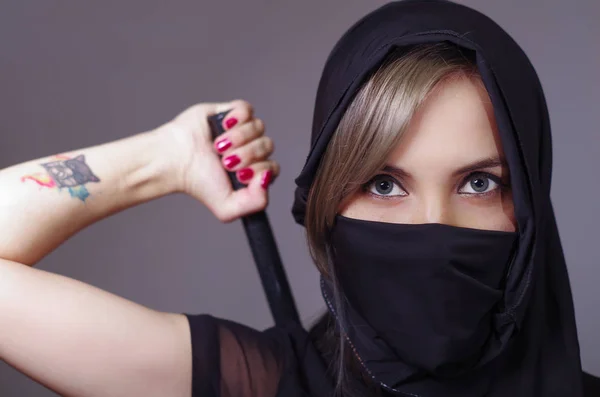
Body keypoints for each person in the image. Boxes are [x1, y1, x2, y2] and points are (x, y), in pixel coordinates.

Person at [0, 1, 598, 396]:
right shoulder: (263, 383)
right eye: (384, 185)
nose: (432, 225)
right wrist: (164, 160)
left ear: (529, 206)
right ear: (328, 207)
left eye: (479, 183)